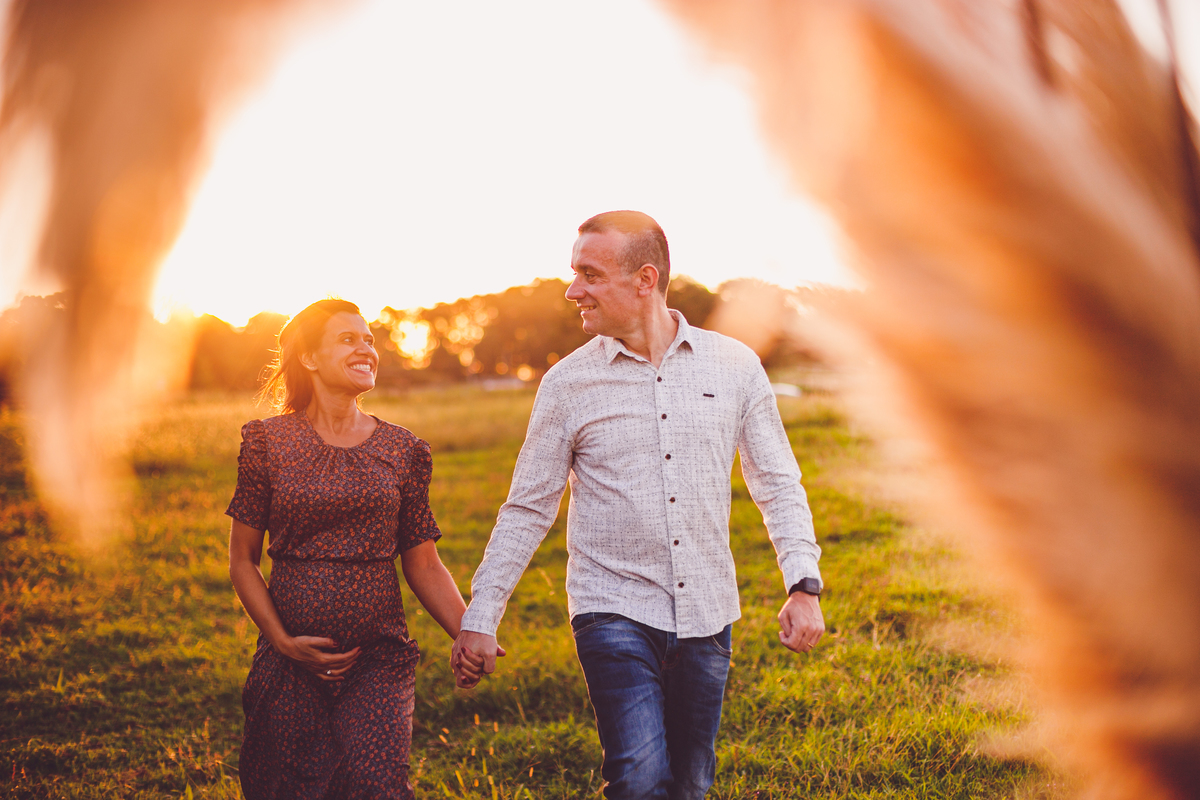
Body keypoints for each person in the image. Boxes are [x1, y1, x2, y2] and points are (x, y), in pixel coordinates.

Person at [452, 211, 825, 799]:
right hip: (612, 610)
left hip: (708, 612)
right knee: (639, 777)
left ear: (644, 280)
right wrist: (482, 614)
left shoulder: (734, 367)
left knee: (689, 785)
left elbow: (777, 482)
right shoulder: (567, 384)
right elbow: (527, 507)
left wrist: (802, 585)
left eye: (590, 275)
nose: (574, 290)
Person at [227, 298, 467, 800]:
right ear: (310, 358)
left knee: (374, 784)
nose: (366, 348)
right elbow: (243, 561)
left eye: (369, 339)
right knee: (282, 787)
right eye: (348, 339)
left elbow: (422, 562)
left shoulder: (405, 450)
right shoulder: (266, 443)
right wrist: (282, 641)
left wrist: (468, 633)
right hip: (288, 659)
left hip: (377, 657)